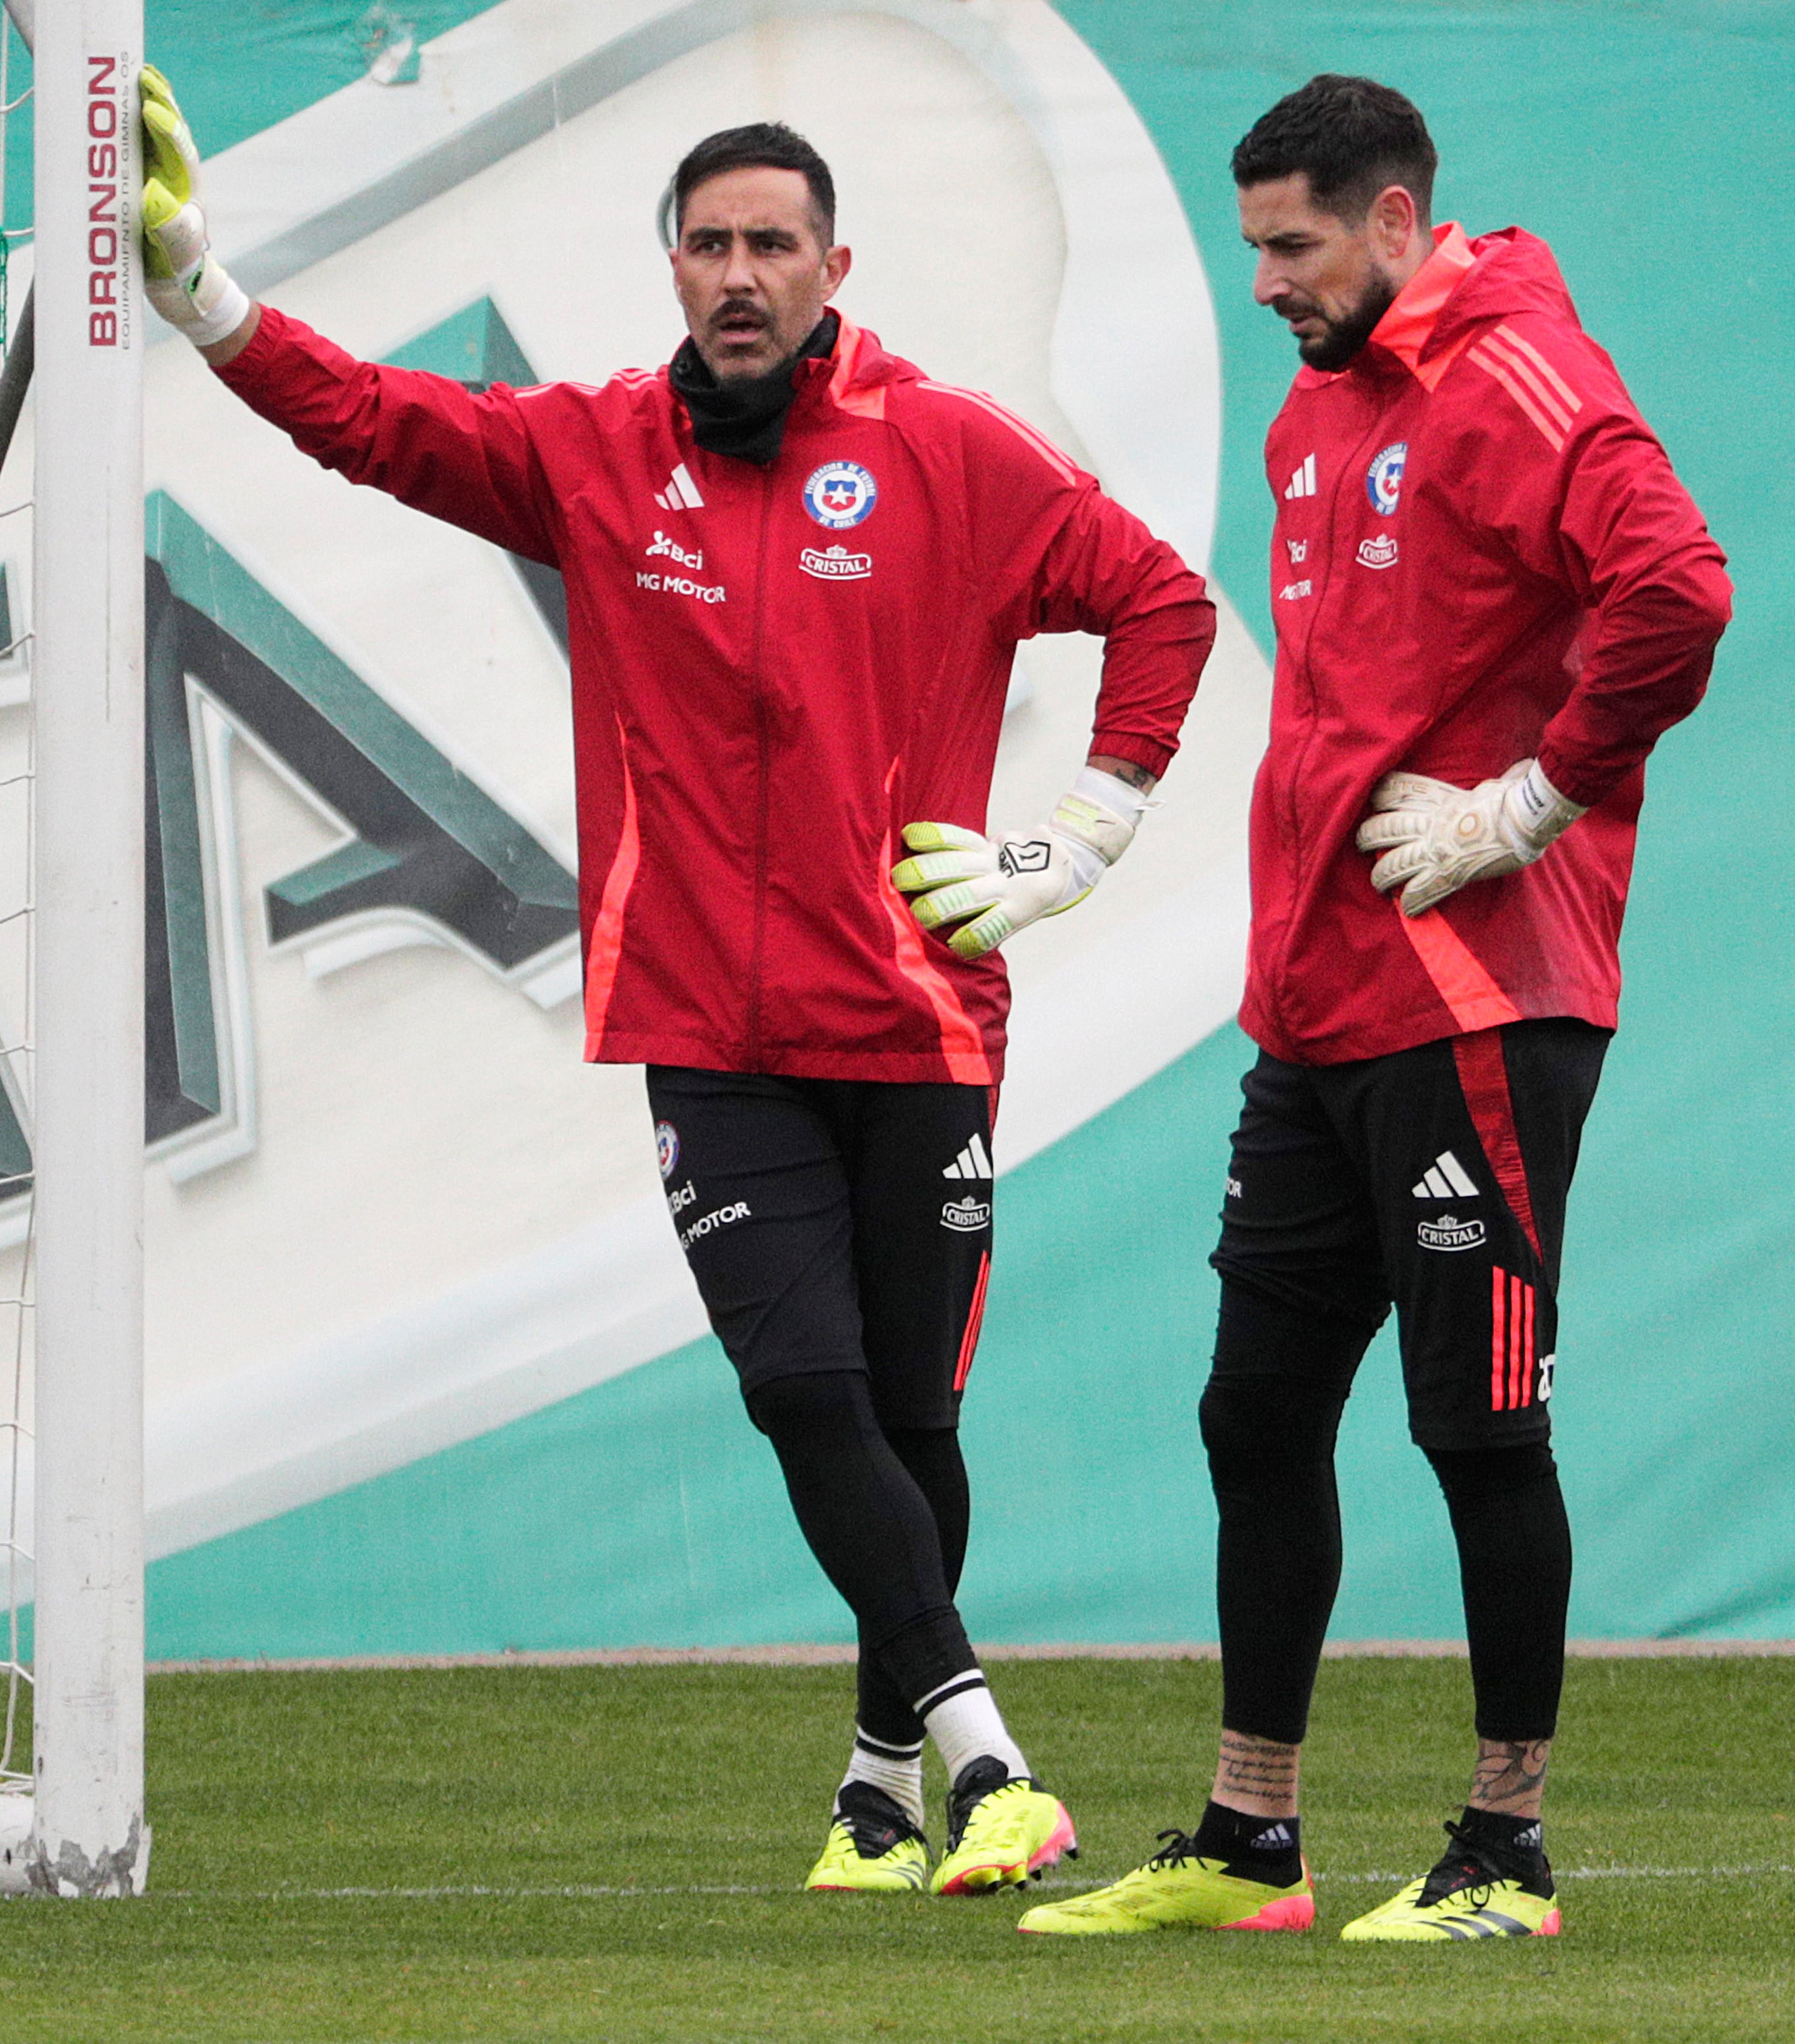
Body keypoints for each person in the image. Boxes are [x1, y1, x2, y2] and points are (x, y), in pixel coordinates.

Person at [135, 73, 1216, 1896]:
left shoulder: (950, 454)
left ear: (833, 265)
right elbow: (374, 425)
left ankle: (878, 1788)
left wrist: (1075, 837)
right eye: (707, 244)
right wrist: (200, 289)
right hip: (709, 1029)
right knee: (805, 1388)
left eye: (769, 245)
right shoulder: (594, 450)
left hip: (917, 1015)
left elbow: (1162, 602)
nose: (736, 274)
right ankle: (990, 1767)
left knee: (912, 1419)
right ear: (671, 267)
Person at [1022, 76, 1729, 1944]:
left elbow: (1677, 587)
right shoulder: (1323, 409)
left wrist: (1534, 798)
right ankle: (1254, 1835)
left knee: (1480, 1428)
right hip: (1322, 1003)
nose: (1262, 280)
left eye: (1292, 243)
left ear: (1398, 220)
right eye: (1250, 243)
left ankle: (1507, 1853)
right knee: (1254, 1413)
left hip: (1480, 996)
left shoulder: (1515, 373)